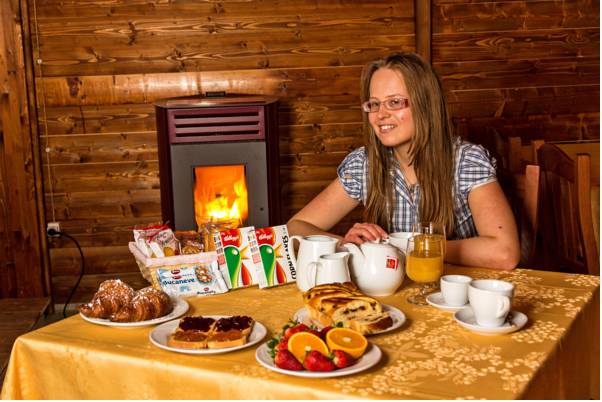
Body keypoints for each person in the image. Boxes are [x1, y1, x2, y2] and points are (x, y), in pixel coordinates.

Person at [287, 52, 520, 270]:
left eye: (395, 102)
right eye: (374, 104)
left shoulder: (465, 160)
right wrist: (348, 246)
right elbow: (294, 228)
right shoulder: (364, 164)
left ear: (425, 104)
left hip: (451, 291)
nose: (380, 114)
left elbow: (505, 253)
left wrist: (406, 248)